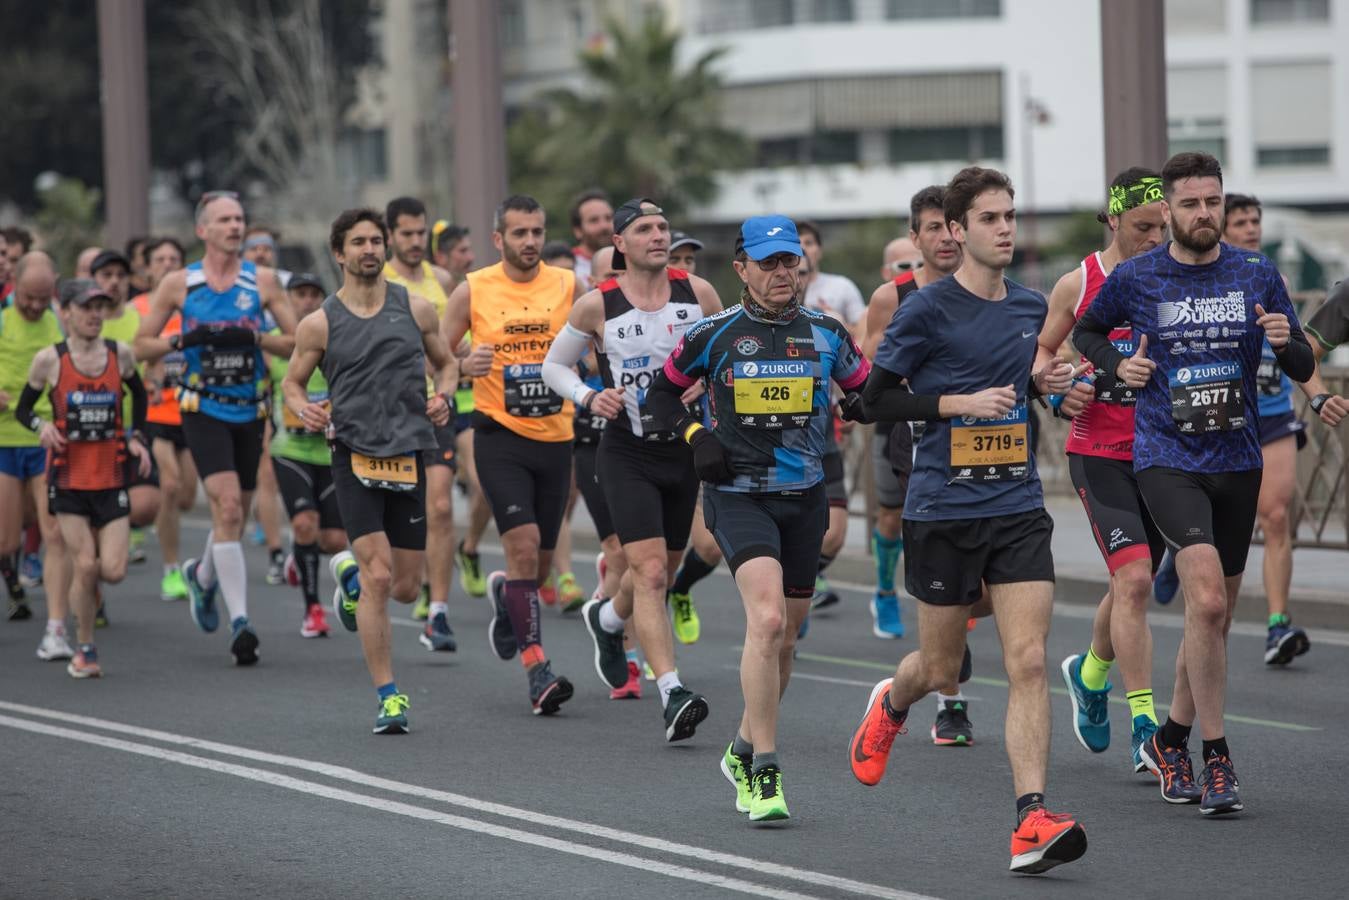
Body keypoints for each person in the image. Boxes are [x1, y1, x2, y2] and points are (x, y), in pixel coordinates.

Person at [846, 166, 1086, 874]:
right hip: (942, 509)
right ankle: (893, 702)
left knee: (1030, 660)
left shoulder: (1029, 308)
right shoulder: (922, 310)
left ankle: (1030, 818)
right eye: (989, 218)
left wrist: (1052, 391)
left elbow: (1029, 389)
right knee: (942, 667)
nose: (1006, 228)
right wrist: (952, 405)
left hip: (1014, 506)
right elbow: (870, 403)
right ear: (954, 230)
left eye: (1010, 216)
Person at [1073, 151, 1318, 817]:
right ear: (1171, 212)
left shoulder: (1254, 272)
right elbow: (1086, 329)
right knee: (1205, 601)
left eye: (1212, 202)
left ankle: (1171, 739)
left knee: (1211, 617)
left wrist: (1283, 339)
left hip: (1236, 460)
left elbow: (1299, 359)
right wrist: (1116, 364)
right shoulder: (1137, 276)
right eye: (1190, 204)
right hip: (1165, 457)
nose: (1204, 213)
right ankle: (1217, 759)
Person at [647, 214, 870, 822]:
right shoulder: (716, 334)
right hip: (738, 494)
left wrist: (892, 400)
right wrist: (697, 435)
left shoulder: (827, 332)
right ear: (741, 269)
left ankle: (742, 746)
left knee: (787, 638)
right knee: (766, 620)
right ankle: (766, 773)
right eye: (767, 263)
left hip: (807, 496)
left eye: (788, 262)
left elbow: (867, 390)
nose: (781, 273)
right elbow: (659, 396)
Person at [544, 198, 723, 743]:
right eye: (644, 229)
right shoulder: (598, 305)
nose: (658, 236)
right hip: (626, 451)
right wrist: (587, 396)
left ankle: (608, 620)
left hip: (682, 449)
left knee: (660, 574)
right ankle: (672, 693)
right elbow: (553, 365)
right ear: (619, 244)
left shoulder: (700, 294)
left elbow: (726, 355)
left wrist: (707, 382)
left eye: (664, 227)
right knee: (646, 573)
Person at [284, 208, 456, 733]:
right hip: (353, 454)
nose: (370, 249)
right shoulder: (320, 323)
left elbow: (446, 363)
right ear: (339, 253)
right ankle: (389, 695)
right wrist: (304, 407)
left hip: (409, 454)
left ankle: (349, 576)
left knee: (405, 588)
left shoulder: (418, 308)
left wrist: (444, 395)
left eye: (375, 241)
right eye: (358, 242)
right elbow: (293, 382)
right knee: (381, 580)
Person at [1037, 168, 1169, 774]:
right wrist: (1059, 391)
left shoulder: (1174, 276)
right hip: (1100, 452)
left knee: (1128, 585)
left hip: (1167, 453)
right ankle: (1146, 727)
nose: (1153, 237)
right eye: (1143, 226)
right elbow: (1042, 354)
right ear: (1113, 219)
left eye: (1161, 226)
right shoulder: (1080, 282)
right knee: (1136, 581)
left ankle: (1089, 674)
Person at [135, 190, 297, 666]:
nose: (235, 227)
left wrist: (255, 337)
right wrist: (183, 339)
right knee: (226, 506)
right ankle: (241, 623)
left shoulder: (263, 281)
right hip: (202, 407)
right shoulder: (178, 284)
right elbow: (139, 347)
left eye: (240, 219)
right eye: (224, 220)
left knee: (236, 515)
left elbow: (296, 344)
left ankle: (202, 579)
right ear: (202, 230)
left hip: (251, 409)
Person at [443, 194, 579, 715]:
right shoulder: (473, 288)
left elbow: (597, 341)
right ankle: (536, 667)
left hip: (557, 436)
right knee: (521, 547)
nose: (529, 242)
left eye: (537, 233)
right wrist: (462, 360)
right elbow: (436, 351)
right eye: (519, 233)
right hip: (498, 435)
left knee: (540, 564)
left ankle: (509, 596)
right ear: (499, 238)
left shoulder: (568, 286)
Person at [860, 185, 974, 746]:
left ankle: (949, 654)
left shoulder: (992, 291)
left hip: (989, 445)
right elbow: (869, 374)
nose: (945, 237)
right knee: (945, 559)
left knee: (980, 581)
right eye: (933, 227)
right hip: (918, 441)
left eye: (953, 225)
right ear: (917, 236)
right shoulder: (893, 296)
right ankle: (952, 702)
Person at [1222, 192, 1340, 665]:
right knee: (1211, 528)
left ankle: (1277, 624)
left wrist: (1317, 391)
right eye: (1241, 221)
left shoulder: (1272, 277)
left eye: (1255, 220)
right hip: (1221, 419)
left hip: (1272, 413)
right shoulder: (1206, 280)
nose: (1251, 228)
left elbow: (1298, 344)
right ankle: (1178, 562)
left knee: (1275, 516)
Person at [14, 280, 152, 678]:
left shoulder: (119, 354)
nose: (95, 315)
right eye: (86, 307)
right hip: (68, 478)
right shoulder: (49, 360)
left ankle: (87, 595)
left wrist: (138, 437)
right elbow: (25, 408)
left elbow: (139, 397)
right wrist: (42, 425)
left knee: (113, 570)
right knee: (85, 563)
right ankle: (85, 649)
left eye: (100, 307)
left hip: (111, 477)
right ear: (67, 312)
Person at [382, 196, 459, 648]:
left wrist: (459, 364)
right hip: (384, 418)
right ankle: (368, 577)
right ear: (390, 235)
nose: (415, 242)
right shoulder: (377, 281)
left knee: (443, 507)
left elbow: (451, 347)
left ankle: (439, 612)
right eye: (406, 234)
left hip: (433, 410)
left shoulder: (442, 280)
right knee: (393, 527)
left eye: (420, 233)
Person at [0, 253, 72, 655]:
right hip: (4, 439)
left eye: (43, 298)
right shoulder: (2, 318)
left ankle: (56, 624)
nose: (34, 305)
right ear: (15, 286)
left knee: (55, 532)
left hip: (47, 438)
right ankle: (14, 584)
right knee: (6, 537)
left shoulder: (59, 320)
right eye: (28, 297)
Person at [267, 273, 342, 639]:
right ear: (288, 299)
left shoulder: (336, 343)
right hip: (290, 450)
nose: (308, 301)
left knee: (333, 541)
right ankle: (313, 609)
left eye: (315, 294)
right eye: (300, 294)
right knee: (304, 524)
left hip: (330, 453)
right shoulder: (280, 348)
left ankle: (302, 554)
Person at [134, 238, 197, 601]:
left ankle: (168, 538)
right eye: (161, 259)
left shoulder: (193, 307)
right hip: (153, 414)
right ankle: (172, 569)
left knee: (187, 496)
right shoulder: (139, 309)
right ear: (148, 267)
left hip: (189, 410)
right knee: (169, 487)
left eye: (175, 258)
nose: (168, 264)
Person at [93, 249, 160, 582]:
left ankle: (116, 535)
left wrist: (158, 377)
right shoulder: (79, 321)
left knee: (147, 505)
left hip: (131, 424)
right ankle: (92, 585)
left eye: (120, 275)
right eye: (106, 275)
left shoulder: (138, 317)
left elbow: (155, 354)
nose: (114, 282)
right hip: (88, 433)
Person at [242, 225, 288, 579]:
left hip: (291, 379)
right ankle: (275, 550)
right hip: (254, 384)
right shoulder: (234, 285)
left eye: (266, 247)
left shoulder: (286, 283)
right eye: (253, 248)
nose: (261, 253)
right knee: (267, 470)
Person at [797, 220, 866, 337]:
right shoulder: (781, 288)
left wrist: (834, 322)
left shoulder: (842, 286)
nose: (802, 248)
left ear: (820, 251)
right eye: (796, 244)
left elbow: (864, 333)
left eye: (808, 243)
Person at [570, 189, 614, 289]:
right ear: (578, 231)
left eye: (608, 218)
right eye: (594, 220)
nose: (604, 226)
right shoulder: (568, 266)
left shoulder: (629, 262)